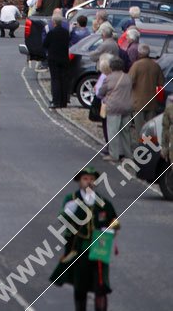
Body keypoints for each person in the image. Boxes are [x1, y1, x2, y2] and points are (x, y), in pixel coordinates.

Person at [49, 166, 119, 311]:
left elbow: (114, 222)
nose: (89, 182)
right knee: (80, 286)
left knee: (101, 286)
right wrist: (70, 211)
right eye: (85, 179)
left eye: (92, 179)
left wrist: (109, 230)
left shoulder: (103, 202)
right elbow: (63, 221)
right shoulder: (71, 200)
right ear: (79, 181)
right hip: (80, 248)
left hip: (99, 249)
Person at [99, 56, 134, 162]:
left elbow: (101, 92)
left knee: (113, 132)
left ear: (111, 67)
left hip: (114, 108)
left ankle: (114, 155)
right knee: (126, 132)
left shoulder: (108, 78)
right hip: (127, 107)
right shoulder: (127, 77)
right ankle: (128, 154)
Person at [128, 44, 165, 137]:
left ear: (139, 53)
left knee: (140, 128)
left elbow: (129, 82)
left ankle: (141, 147)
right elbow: (161, 82)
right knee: (151, 128)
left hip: (138, 101)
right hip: (152, 101)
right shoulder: (155, 65)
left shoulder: (136, 65)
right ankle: (149, 147)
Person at [43, 12, 71, 109]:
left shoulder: (51, 32)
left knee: (55, 80)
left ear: (54, 22)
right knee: (64, 80)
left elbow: (45, 44)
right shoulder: (66, 32)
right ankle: (64, 101)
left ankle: (56, 101)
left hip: (54, 59)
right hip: (64, 58)